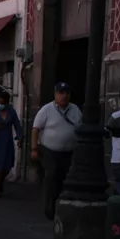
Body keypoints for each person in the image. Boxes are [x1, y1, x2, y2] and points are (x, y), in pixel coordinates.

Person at [32, 82, 82, 219]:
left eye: (67, 93)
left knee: (65, 179)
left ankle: (62, 205)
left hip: (68, 152)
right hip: (49, 150)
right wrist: (34, 148)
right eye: (61, 93)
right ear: (55, 95)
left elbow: (80, 128)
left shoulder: (75, 109)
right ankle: (49, 208)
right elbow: (36, 129)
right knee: (52, 175)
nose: (64, 96)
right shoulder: (46, 109)